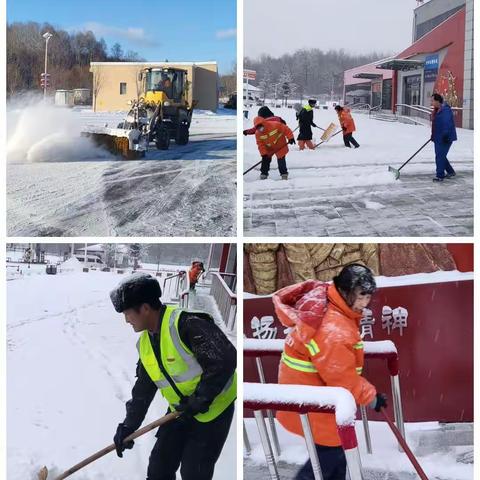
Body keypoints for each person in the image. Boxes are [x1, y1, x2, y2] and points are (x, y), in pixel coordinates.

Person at [110, 273, 236, 480]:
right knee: (159, 468)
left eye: (128, 314)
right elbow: (143, 390)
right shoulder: (145, 344)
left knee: (194, 472)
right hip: (180, 411)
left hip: (214, 410)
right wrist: (128, 427)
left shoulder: (187, 324)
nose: (126, 320)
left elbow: (225, 359)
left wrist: (200, 399)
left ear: (145, 308)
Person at [274, 264, 387, 480]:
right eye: (361, 295)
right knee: (328, 457)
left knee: (336, 455)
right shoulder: (333, 329)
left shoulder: (333, 305)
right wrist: (371, 398)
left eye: (368, 296)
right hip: (315, 398)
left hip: (317, 394)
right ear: (345, 292)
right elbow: (341, 377)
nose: (366, 302)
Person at [254, 115, 295, 180]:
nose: (260, 129)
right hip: (268, 147)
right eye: (258, 127)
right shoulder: (258, 133)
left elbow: (285, 129)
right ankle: (264, 174)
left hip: (280, 144)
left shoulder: (275, 125)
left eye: (261, 126)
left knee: (281, 159)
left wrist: (290, 137)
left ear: (264, 123)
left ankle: (284, 174)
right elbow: (260, 144)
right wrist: (263, 154)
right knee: (265, 160)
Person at [430, 93, 457, 182]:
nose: (432, 102)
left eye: (433, 100)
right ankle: (451, 172)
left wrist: (445, 135)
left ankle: (440, 176)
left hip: (445, 138)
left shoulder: (445, 110)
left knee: (439, 156)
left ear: (438, 101)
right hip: (438, 137)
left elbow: (447, 123)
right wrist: (433, 135)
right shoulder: (437, 110)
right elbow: (436, 125)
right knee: (441, 156)